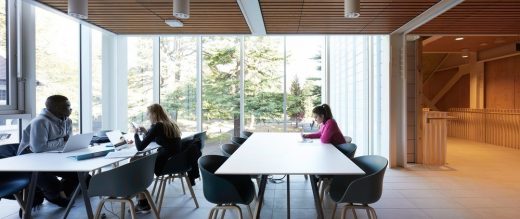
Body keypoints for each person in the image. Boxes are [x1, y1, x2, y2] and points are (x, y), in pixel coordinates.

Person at [17, 95, 81, 208]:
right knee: (52, 184)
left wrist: (65, 142)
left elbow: (68, 141)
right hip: (31, 159)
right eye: (67, 106)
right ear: (56, 108)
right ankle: (51, 195)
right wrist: (62, 140)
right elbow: (38, 148)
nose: (70, 109)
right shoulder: (40, 122)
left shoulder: (68, 121)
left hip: (53, 156)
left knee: (81, 176)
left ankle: (51, 193)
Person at [132, 103, 182, 214]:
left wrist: (135, 134)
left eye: (148, 114)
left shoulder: (158, 126)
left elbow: (140, 147)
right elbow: (161, 139)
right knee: (138, 161)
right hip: (175, 161)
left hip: (164, 164)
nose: (147, 116)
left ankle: (142, 203)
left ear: (154, 114)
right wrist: (147, 133)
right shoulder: (170, 124)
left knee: (135, 163)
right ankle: (140, 197)